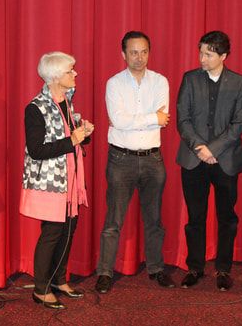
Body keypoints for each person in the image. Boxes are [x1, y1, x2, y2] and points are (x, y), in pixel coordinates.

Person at [95, 31, 175, 294]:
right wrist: (152, 117)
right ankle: (105, 272)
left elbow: (161, 118)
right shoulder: (114, 84)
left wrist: (138, 118)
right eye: (133, 52)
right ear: (123, 54)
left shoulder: (161, 81)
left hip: (153, 159)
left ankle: (156, 268)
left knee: (154, 220)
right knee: (113, 221)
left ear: (149, 52)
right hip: (121, 159)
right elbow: (119, 120)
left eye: (143, 52)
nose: (139, 58)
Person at [176, 31, 242, 292]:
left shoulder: (239, 83)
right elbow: (182, 118)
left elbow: (238, 123)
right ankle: (194, 267)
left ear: (223, 56)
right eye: (201, 52)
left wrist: (213, 149)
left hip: (225, 160)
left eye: (208, 54)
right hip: (193, 159)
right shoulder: (189, 79)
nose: (202, 58)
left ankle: (223, 269)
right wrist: (199, 147)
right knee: (195, 217)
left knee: (227, 218)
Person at [20, 52, 94, 310]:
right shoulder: (36, 107)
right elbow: (37, 149)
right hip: (50, 182)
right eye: (69, 71)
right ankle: (40, 288)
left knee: (69, 229)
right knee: (51, 233)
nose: (75, 74)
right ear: (54, 77)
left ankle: (58, 280)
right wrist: (72, 140)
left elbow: (72, 138)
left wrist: (83, 134)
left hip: (71, 176)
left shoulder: (65, 101)